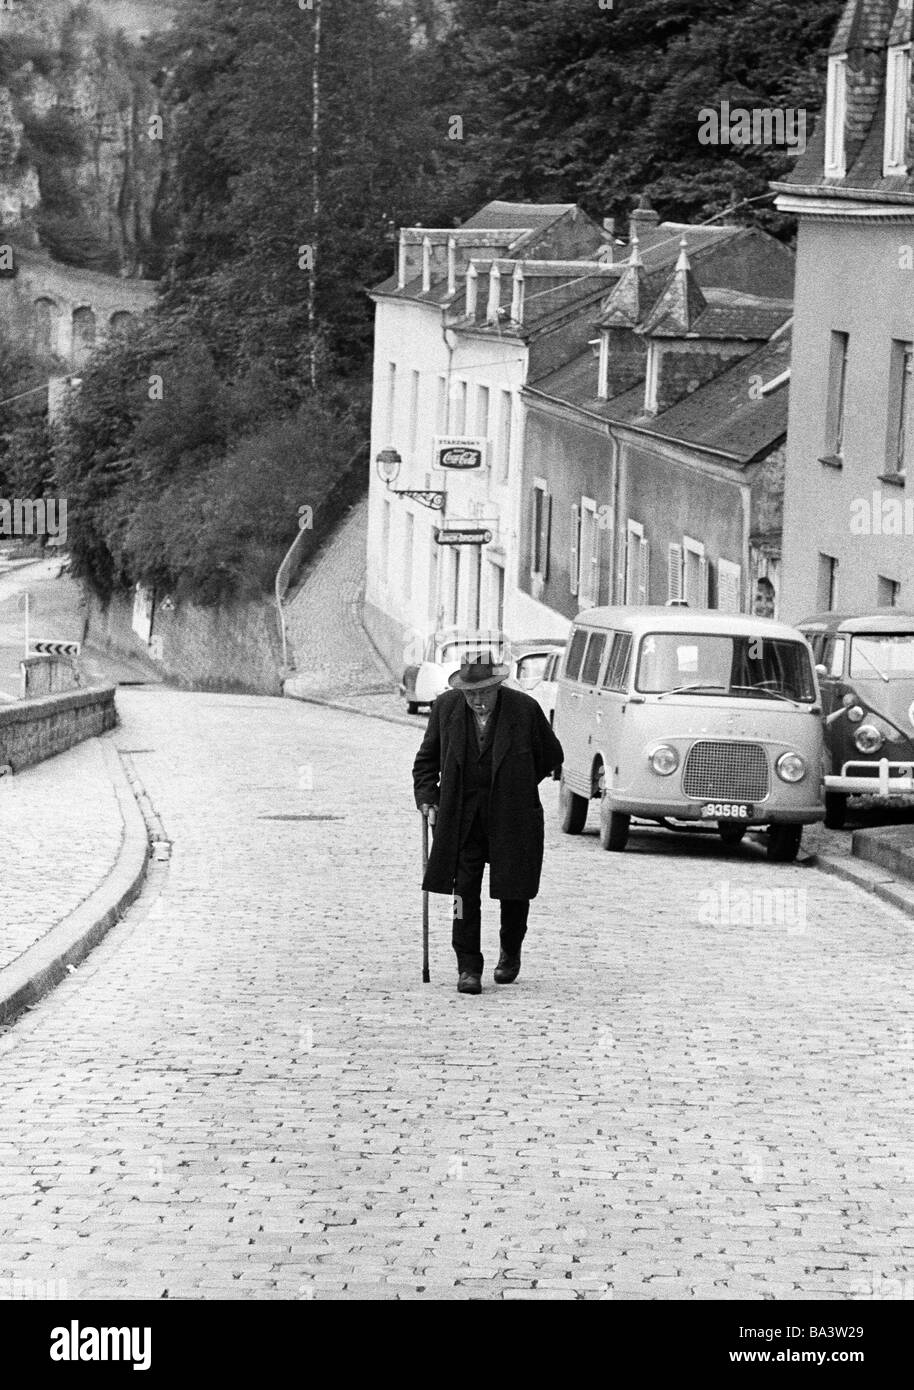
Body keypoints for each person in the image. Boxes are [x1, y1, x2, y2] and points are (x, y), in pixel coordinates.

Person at [412, 650, 564, 994]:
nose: (477, 701)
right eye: (471, 694)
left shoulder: (524, 711)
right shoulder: (447, 708)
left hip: (512, 817)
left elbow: (551, 755)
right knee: (462, 893)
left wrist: (517, 783)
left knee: (514, 891)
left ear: (497, 687)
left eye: (484, 693)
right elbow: (425, 762)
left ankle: (510, 953)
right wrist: (427, 799)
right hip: (462, 819)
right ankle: (467, 965)